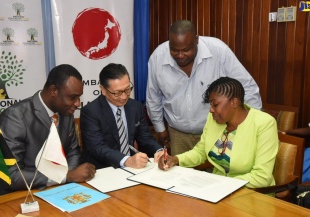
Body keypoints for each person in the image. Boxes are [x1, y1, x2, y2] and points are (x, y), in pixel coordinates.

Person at [146, 20, 262, 156]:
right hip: (178, 136)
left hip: (218, 131)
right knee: (181, 175)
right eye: (174, 50)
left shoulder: (219, 51)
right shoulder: (157, 58)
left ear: (196, 40)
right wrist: (160, 128)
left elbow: (247, 87)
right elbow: (153, 97)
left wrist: (251, 127)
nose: (180, 55)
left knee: (217, 174)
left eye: (186, 50)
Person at [0, 64, 96, 195]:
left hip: (59, 191)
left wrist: (70, 180)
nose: (78, 103)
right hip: (19, 196)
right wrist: (65, 177)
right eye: (72, 97)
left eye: (79, 97)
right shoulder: (14, 117)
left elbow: (73, 151)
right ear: (53, 91)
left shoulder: (66, 112)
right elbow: (10, 175)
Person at [158, 77, 278, 188]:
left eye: (215, 104)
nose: (211, 110)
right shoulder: (214, 119)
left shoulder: (264, 123)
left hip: (251, 194)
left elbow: (262, 177)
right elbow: (200, 152)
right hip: (217, 190)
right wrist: (175, 159)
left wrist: (222, 185)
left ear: (234, 102)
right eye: (210, 105)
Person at [81, 63, 163, 169]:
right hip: (104, 169)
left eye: (127, 89)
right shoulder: (91, 112)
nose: (124, 96)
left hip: (132, 168)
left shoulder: (135, 107)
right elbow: (97, 147)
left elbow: (145, 138)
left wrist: (159, 151)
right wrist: (126, 160)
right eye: (117, 93)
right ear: (103, 90)